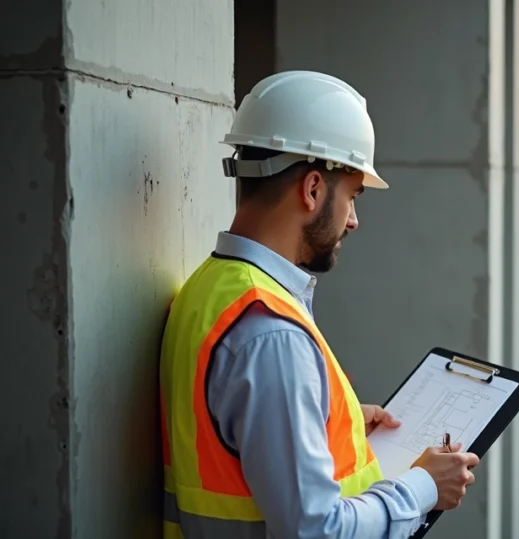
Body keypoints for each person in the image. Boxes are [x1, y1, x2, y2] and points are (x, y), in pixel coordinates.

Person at [159, 70, 479, 539]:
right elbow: (317, 531)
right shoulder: (271, 334)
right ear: (312, 189)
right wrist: (424, 487)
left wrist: (335, 417)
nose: (353, 221)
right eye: (351, 196)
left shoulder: (209, 289)